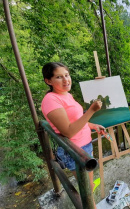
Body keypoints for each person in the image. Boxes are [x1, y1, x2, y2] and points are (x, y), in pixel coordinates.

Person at [41, 62, 104, 206]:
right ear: (48, 81)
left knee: (89, 186)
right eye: (59, 77)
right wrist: (92, 110)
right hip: (75, 151)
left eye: (67, 75)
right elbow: (68, 131)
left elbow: (77, 120)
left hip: (85, 146)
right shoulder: (50, 100)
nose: (66, 80)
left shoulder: (66, 95)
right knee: (87, 190)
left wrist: (92, 125)